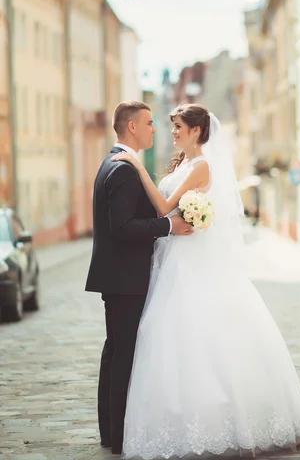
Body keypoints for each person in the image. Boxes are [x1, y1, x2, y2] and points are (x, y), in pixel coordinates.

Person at [112, 103, 300, 460]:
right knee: (172, 337)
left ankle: (221, 420)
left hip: (192, 261)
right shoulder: (183, 164)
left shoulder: (202, 165)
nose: (171, 132)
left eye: (177, 127)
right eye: (171, 126)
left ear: (196, 131)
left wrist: (138, 167)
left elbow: (163, 208)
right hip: (174, 258)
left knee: (198, 335)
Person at [85, 101, 192, 456]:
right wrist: (168, 226)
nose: (155, 128)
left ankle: (110, 432)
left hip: (117, 277)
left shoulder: (113, 163)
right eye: (149, 123)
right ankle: (118, 437)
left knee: (114, 352)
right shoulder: (124, 170)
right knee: (123, 354)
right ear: (132, 127)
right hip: (125, 278)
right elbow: (123, 227)